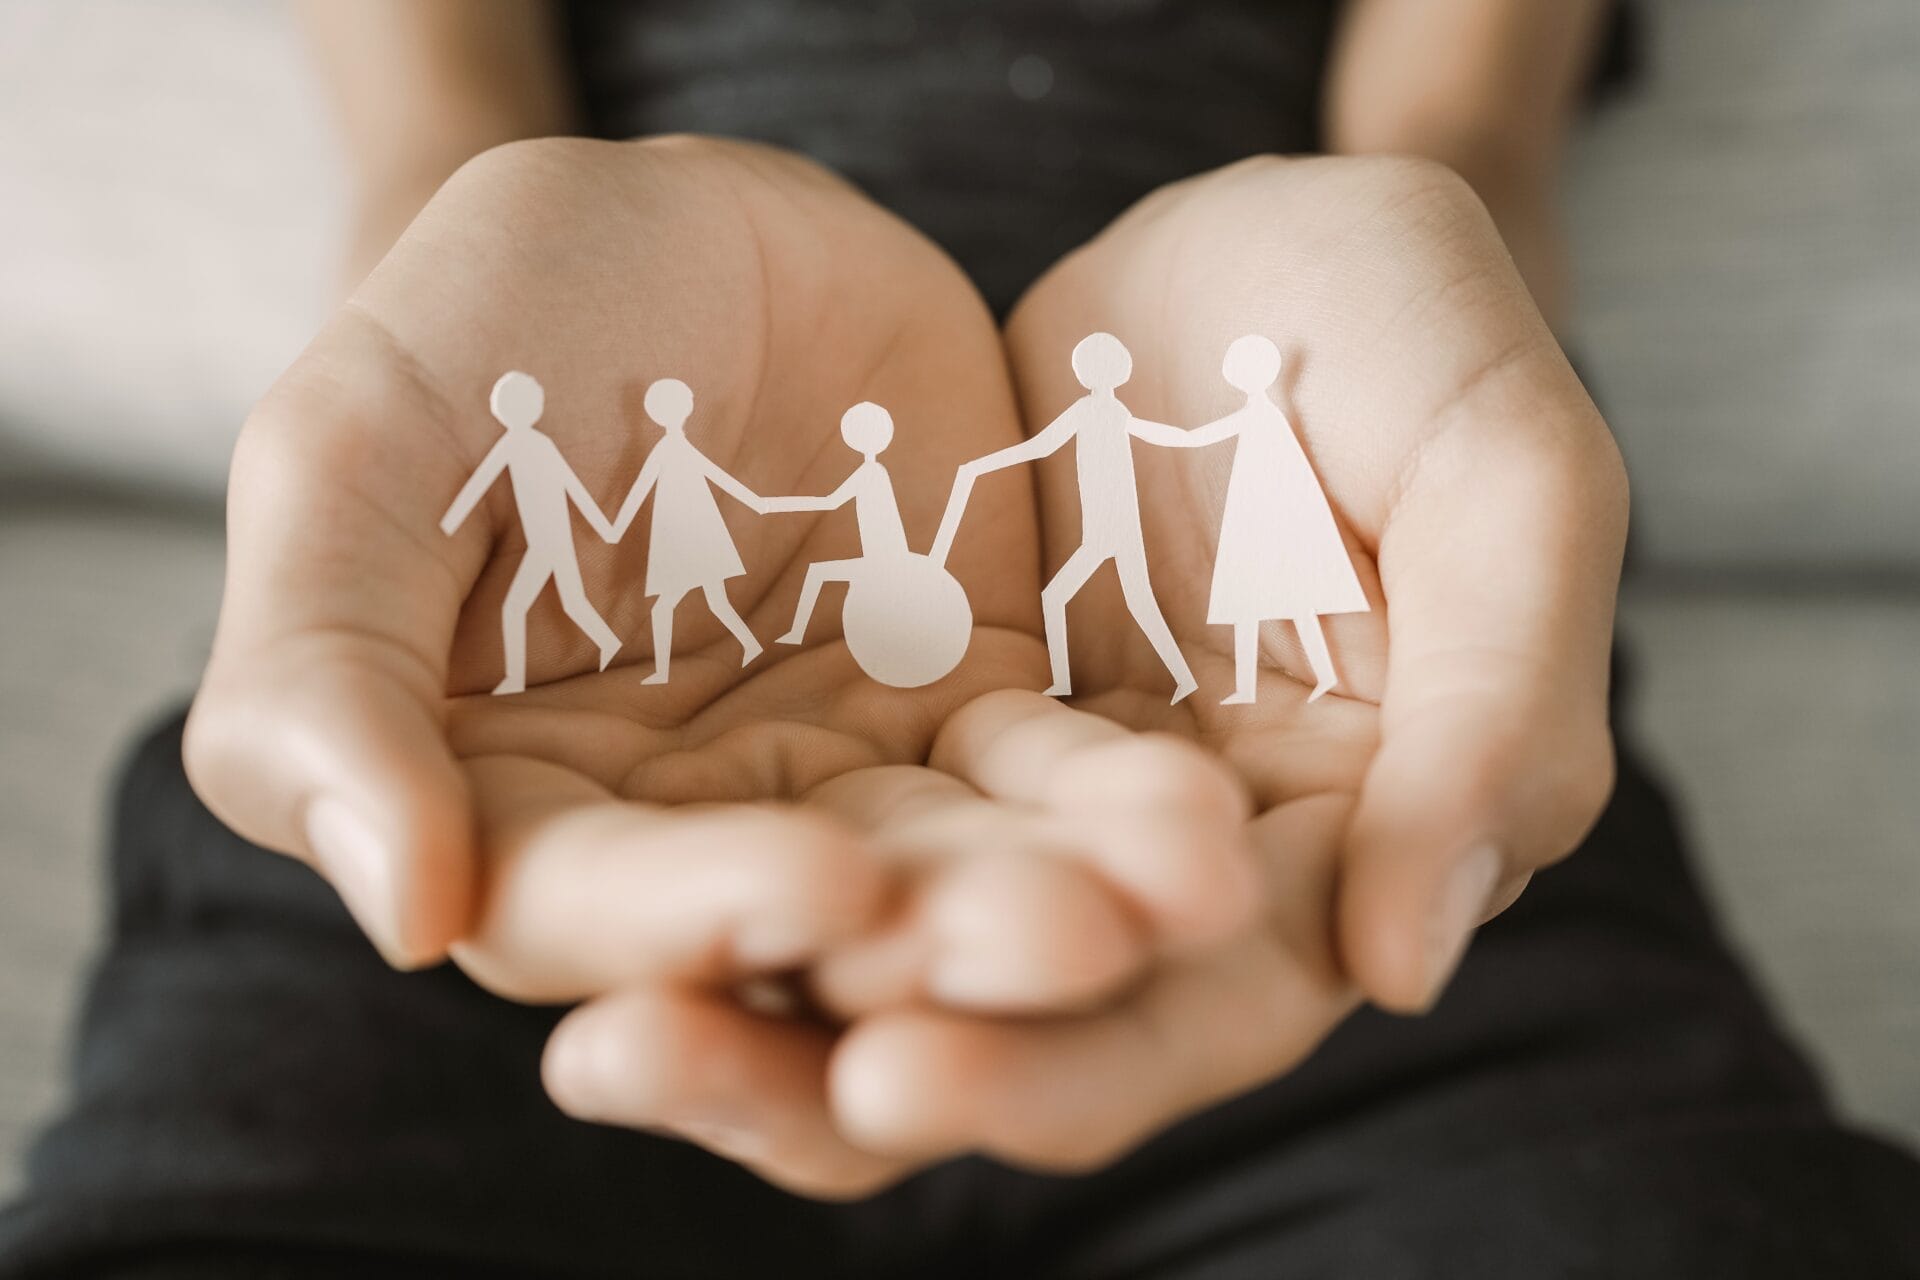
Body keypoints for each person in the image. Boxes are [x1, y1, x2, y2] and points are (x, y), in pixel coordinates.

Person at [5, 2, 1919, 1277]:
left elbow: (1450, 147)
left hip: (1313, 749)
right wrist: (481, 340)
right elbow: (445, 146)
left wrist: (1396, 252)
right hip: (525, 721)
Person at [934, 332, 1199, 702]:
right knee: (1130, 601)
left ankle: (1083, 680)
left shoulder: (1092, 410)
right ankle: (1179, 679)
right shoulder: (1110, 411)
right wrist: (983, 465)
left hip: (1110, 526)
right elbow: (1044, 446)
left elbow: (1040, 447)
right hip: (1110, 526)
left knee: (1065, 597)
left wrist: (983, 465)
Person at [1168, 334, 1370, 705]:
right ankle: (1261, 684)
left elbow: (1198, 438)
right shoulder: (1264, 415)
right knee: (1270, 610)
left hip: (1264, 528)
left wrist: (1155, 434)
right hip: (1256, 525)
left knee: (1282, 609)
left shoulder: (1260, 416)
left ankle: (1320, 675)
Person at [441, 369, 622, 695]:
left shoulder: (518, 444)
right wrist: (451, 521)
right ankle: (608, 642)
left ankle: (516, 677)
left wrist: (452, 521)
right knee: (572, 603)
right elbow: (571, 487)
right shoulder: (534, 443)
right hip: (551, 540)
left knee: (518, 607)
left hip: (547, 542)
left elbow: (568, 485)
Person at [609, 377, 765, 685]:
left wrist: (617, 526)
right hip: (694, 537)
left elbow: (641, 491)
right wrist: (754, 501)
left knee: (668, 607)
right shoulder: (675, 447)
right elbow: (718, 479)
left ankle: (664, 671)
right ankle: (749, 644)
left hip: (688, 540)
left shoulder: (669, 449)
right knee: (710, 602)